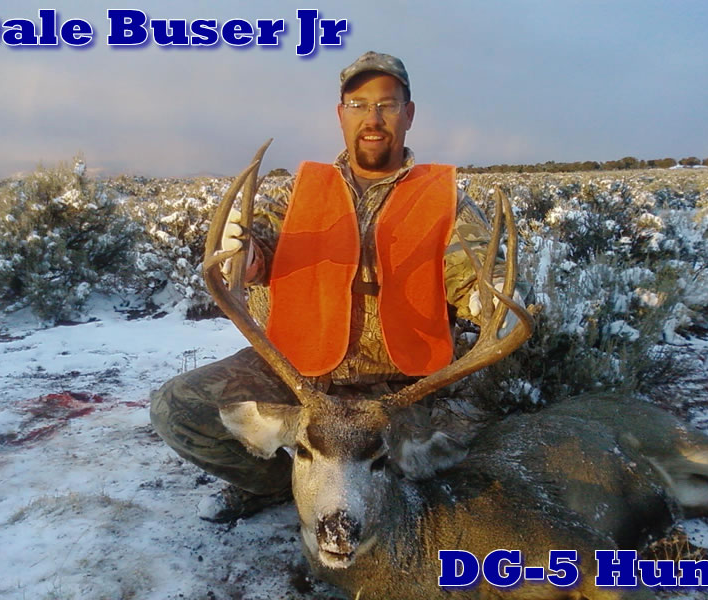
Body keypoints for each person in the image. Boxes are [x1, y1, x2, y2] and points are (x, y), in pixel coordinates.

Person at [150, 51, 521, 522]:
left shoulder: (446, 200)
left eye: (387, 105)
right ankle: (279, 486)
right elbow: (258, 245)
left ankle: (345, 483)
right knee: (176, 409)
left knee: (428, 478)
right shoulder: (296, 194)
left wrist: (489, 297)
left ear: (408, 114)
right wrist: (244, 257)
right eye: (358, 105)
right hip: (298, 378)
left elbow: (471, 270)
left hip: (394, 392)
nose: (373, 118)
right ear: (341, 114)